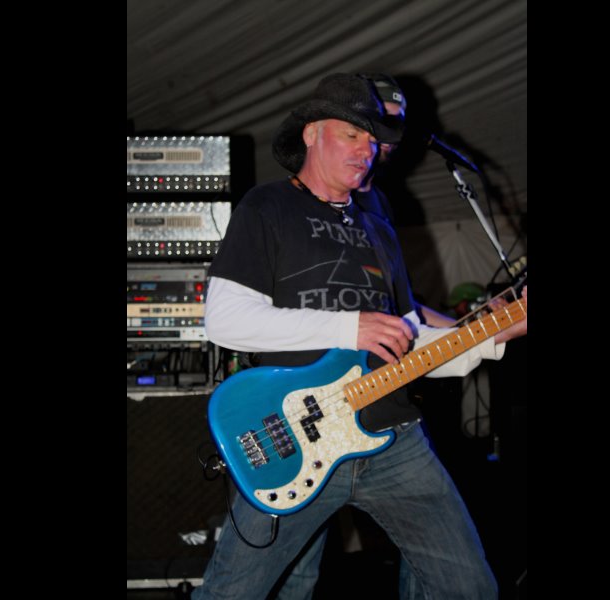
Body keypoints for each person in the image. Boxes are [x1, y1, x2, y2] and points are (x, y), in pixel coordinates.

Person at [194, 72, 527, 600]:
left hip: (394, 438)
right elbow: (225, 319)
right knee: (241, 593)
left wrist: (491, 332)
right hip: (296, 436)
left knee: (467, 586)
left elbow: (406, 336)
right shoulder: (268, 206)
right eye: (351, 134)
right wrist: (348, 326)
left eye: (373, 140)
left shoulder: (379, 223)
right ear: (311, 133)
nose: (365, 150)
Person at [273, 73, 459, 600]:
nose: (377, 143)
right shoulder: (284, 205)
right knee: (291, 571)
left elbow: (400, 312)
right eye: (366, 129)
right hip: (307, 407)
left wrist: (472, 331)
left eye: (385, 133)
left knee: (445, 569)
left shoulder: (379, 210)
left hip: (378, 408)